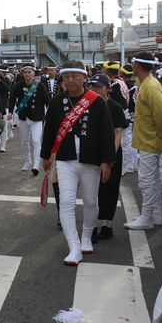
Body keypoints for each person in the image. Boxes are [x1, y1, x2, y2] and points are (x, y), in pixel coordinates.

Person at [41, 60, 115, 265]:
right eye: (66, 77)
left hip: (91, 160)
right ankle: (73, 247)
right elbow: (50, 130)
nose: (70, 80)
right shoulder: (57, 101)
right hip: (65, 159)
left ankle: (86, 237)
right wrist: (46, 156)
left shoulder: (96, 101)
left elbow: (107, 133)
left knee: (91, 201)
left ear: (84, 77)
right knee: (66, 202)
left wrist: (107, 161)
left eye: (74, 76)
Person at [123, 52, 162, 229]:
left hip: (151, 140)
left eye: (133, 64)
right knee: (154, 180)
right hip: (150, 140)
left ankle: (147, 216)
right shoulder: (146, 83)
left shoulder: (151, 86)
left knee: (147, 180)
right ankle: (156, 214)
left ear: (137, 65)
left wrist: (160, 136)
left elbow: (161, 114)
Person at [87, 74, 127, 241]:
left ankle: (107, 225)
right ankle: (91, 226)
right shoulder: (87, 105)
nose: (94, 89)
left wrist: (110, 156)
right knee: (91, 190)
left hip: (111, 153)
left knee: (109, 189)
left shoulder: (114, 107)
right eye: (92, 86)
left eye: (99, 86)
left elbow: (118, 133)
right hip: (92, 153)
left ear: (108, 89)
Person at [8, 65, 50, 175]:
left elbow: (47, 101)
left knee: (36, 141)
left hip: (37, 118)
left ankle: (36, 164)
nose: (27, 74)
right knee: (24, 141)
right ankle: (27, 161)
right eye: (25, 72)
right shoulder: (18, 86)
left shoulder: (39, 86)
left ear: (33, 73)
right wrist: (10, 112)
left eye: (29, 72)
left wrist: (50, 115)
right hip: (23, 117)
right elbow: (12, 99)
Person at [121, 64, 138, 175]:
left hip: (129, 114)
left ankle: (130, 165)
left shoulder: (125, 86)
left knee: (127, 142)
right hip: (134, 113)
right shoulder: (135, 85)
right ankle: (134, 164)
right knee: (132, 140)